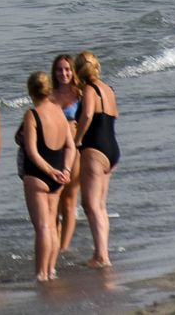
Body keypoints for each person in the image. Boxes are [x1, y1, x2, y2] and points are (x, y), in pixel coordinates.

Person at [18, 71, 77, 281]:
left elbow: (32, 152)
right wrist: (66, 170)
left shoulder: (32, 115)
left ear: (30, 91)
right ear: (49, 88)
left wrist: (48, 170)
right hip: (59, 174)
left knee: (42, 227)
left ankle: (41, 273)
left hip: (38, 175)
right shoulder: (60, 112)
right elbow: (71, 147)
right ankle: (51, 269)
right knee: (52, 225)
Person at [74, 50, 119, 268]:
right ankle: (103, 253)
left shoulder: (90, 90)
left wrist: (77, 139)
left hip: (94, 149)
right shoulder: (108, 89)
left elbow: (88, 115)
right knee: (100, 204)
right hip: (111, 148)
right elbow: (114, 115)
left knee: (90, 204)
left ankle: (101, 255)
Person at [50, 55, 85, 253]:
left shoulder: (80, 95)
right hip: (53, 152)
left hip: (75, 153)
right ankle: (53, 242)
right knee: (53, 200)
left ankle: (64, 247)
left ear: (73, 72)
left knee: (70, 199)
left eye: (67, 69)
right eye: (59, 70)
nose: (63, 73)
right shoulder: (49, 95)